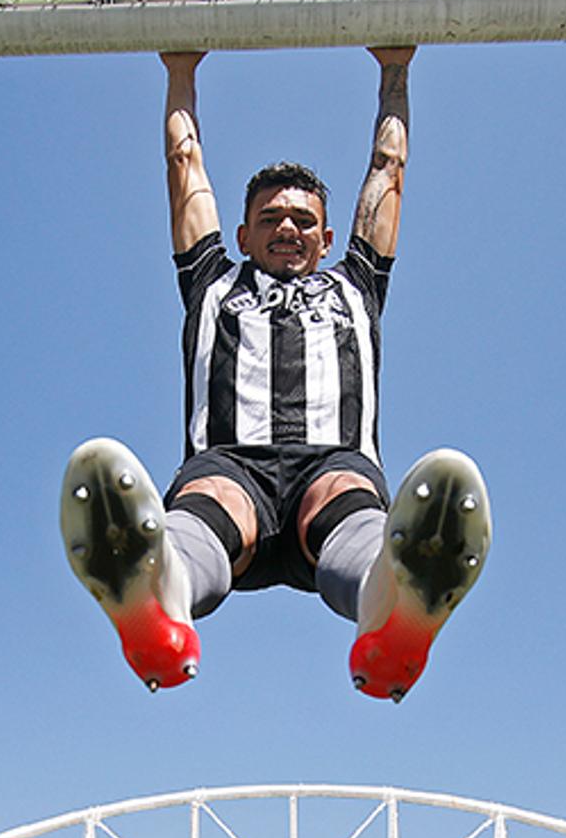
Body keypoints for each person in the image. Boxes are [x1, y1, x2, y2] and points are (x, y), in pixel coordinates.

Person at [59, 47, 491, 703]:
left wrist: (394, 71)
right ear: (241, 233)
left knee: (346, 497)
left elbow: (389, 169)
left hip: (332, 464)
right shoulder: (212, 281)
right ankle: (158, 590)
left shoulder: (357, 284)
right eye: (269, 218)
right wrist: (180, 69)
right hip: (230, 466)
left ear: (325, 239)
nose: (286, 226)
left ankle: (393, 601)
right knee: (213, 508)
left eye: (302, 221)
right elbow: (185, 165)